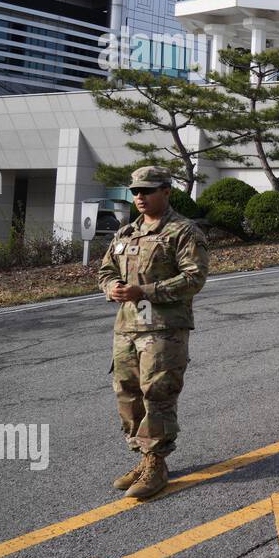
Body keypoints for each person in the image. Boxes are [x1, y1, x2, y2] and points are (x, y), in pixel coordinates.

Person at [97, 166, 210, 499]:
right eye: (134, 191)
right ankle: (143, 457)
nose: (139, 197)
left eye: (147, 190)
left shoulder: (183, 231)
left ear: (166, 192)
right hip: (127, 328)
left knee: (157, 393)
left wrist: (146, 291)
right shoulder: (126, 233)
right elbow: (105, 270)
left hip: (164, 329)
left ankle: (156, 464)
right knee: (127, 392)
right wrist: (112, 287)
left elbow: (194, 278)